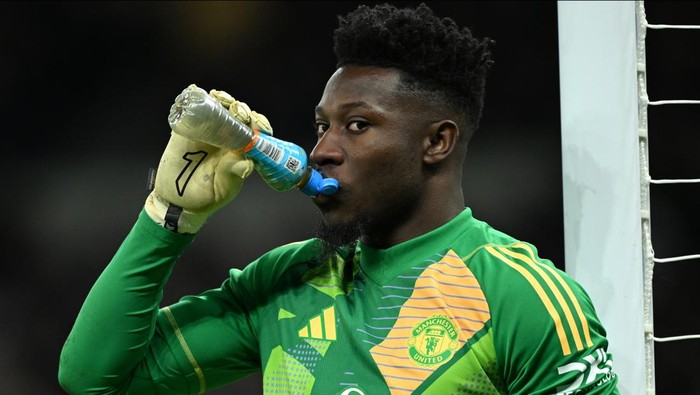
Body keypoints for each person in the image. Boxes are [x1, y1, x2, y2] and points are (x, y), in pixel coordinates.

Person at [58, 3, 619, 394]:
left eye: (356, 126)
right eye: (321, 126)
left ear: (437, 142)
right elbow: (94, 380)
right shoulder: (285, 282)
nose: (321, 149)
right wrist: (168, 215)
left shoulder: (522, 299)